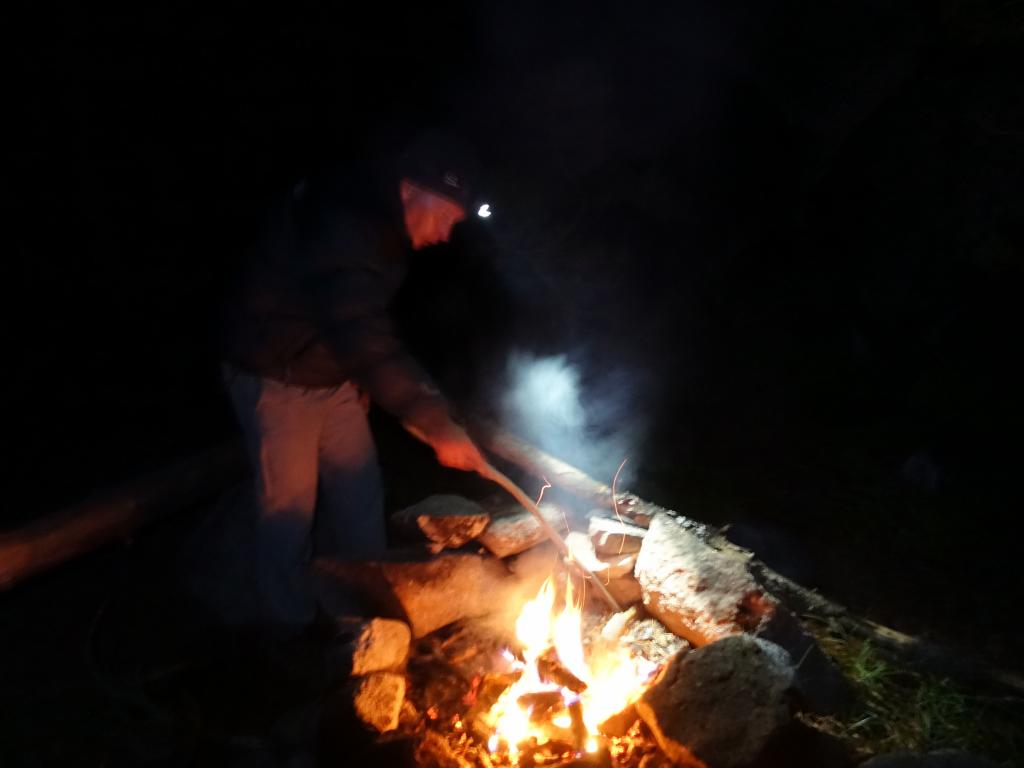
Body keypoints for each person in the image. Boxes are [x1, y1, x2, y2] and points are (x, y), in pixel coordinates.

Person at [221, 133, 489, 629]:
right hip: (277, 379)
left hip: (331, 376)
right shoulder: (345, 219)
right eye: (446, 216)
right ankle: (290, 632)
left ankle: (364, 619)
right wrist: (432, 421)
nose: (447, 234)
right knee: (289, 517)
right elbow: (359, 328)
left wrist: (374, 382)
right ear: (411, 190)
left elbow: (361, 323)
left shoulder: (385, 226)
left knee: (358, 496)